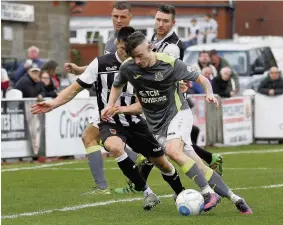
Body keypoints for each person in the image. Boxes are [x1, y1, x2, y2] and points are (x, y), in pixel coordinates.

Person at [31, 27, 186, 211]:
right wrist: (53, 103)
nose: (125, 52)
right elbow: (75, 88)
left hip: (136, 121)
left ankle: (180, 192)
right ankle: (148, 192)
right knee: (114, 146)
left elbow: (143, 104)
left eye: (129, 48)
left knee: (162, 162)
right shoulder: (101, 63)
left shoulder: (143, 65)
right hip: (110, 122)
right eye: (122, 47)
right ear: (117, 44)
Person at [102, 31, 252, 214]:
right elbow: (117, 85)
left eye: (140, 55)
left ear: (150, 47)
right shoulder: (128, 67)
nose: (138, 61)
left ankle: (208, 193)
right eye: (134, 57)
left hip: (178, 113)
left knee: (173, 151)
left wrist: (209, 93)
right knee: (198, 164)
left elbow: (202, 79)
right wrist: (110, 105)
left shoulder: (170, 63)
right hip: (157, 126)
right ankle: (236, 199)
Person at [115, 4, 223, 195]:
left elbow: (168, 72)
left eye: (165, 21)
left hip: (168, 103)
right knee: (170, 148)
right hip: (153, 102)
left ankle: (145, 186)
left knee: (162, 147)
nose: (160, 24)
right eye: (158, 19)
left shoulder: (172, 46)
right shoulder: (150, 40)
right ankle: (209, 168)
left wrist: (181, 84)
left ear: (173, 23)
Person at [64, 1, 134, 195]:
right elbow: (102, 65)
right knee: (102, 140)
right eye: (115, 16)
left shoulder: (134, 41)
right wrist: (80, 69)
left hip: (122, 102)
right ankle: (138, 167)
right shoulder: (112, 40)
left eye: (123, 17)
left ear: (131, 18)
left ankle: (105, 187)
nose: (118, 20)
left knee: (92, 138)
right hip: (107, 100)